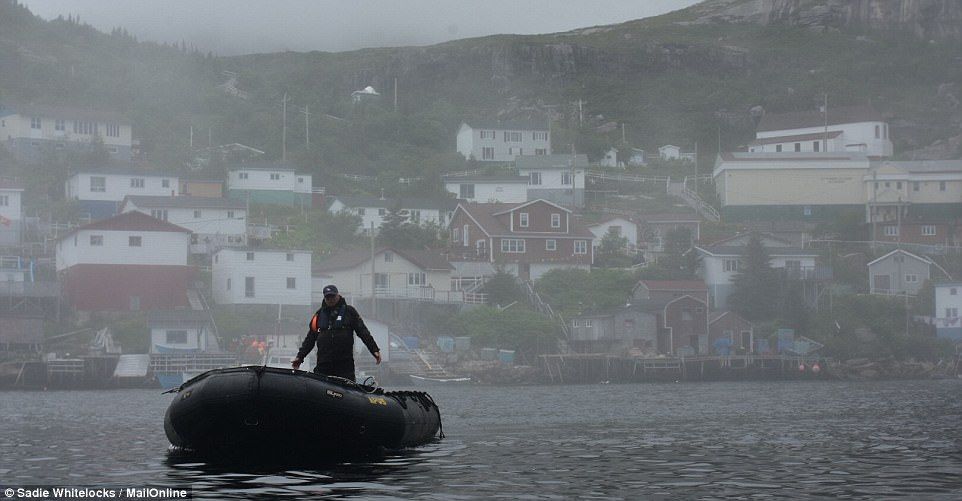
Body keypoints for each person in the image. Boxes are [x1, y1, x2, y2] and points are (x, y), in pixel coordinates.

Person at [291, 284, 381, 381]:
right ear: (324, 298)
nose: (330, 299)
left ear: (338, 295)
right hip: (323, 363)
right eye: (327, 297)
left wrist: (374, 349)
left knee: (347, 388)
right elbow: (310, 339)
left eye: (332, 296)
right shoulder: (318, 315)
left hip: (344, 364)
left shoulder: (349, 312)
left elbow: (363, 332)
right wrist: (300, 357)